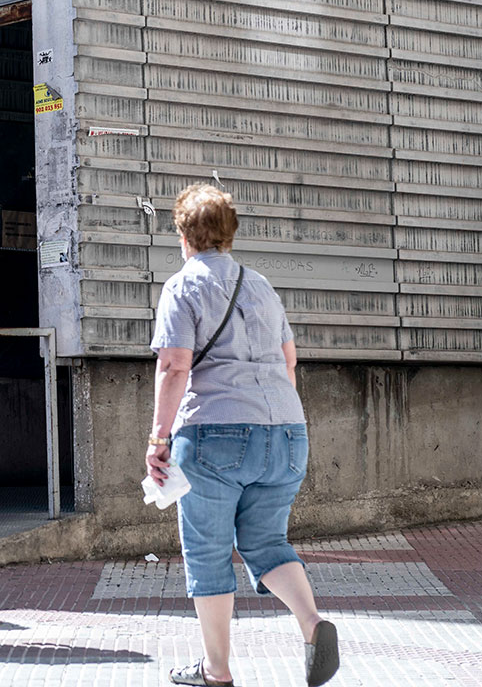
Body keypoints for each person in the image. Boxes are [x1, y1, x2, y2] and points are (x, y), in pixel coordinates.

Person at [147, 184, 339, 687]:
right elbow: (289, 360)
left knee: (209, 553)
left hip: (216, 432)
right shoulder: (261, 286)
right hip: (287, 431)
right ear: (231, 233)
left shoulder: (182, 287)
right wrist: (273, 422)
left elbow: (173, 365)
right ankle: (312, 624)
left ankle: (216, 670)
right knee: (267, 541)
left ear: (184, 236)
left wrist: (157, 439)